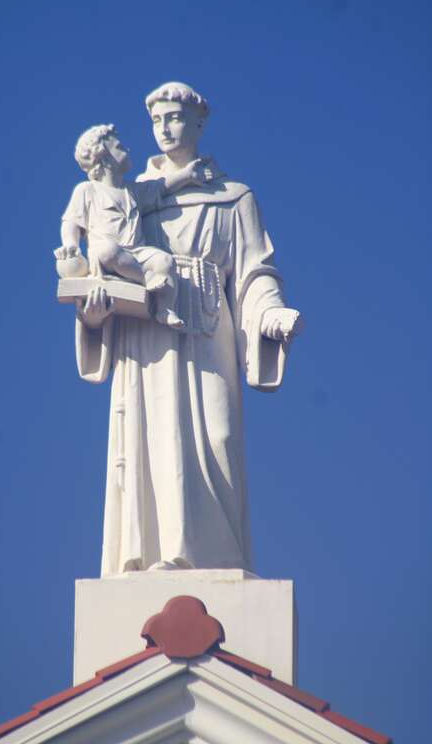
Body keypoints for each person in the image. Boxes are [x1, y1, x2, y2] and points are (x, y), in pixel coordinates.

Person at [73, 82, 302, 576]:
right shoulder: (129, 198)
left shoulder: (233, 197)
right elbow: (103, 268)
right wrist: (93, 313)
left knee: (216, 439)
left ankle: (214, 558)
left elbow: (254, 273)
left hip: (208, 329)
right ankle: (156, 555)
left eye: (176, 117)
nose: (165, 128)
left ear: (199, 123)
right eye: (157, 120)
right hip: (146, 334)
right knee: (152, 441)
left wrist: (270, 313)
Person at [57, 124, 210, 328]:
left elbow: (161, 187)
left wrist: (186, 176)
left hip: (137, 252)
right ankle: (148, 279)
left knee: (165, 260)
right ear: (104, 158)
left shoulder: (132, 191)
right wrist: (71, 244)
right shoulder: (87, 190)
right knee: (107, 251)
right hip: (107, 253)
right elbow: (71, 222)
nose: (127, 150)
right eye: (119, 147)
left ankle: (164, 308)